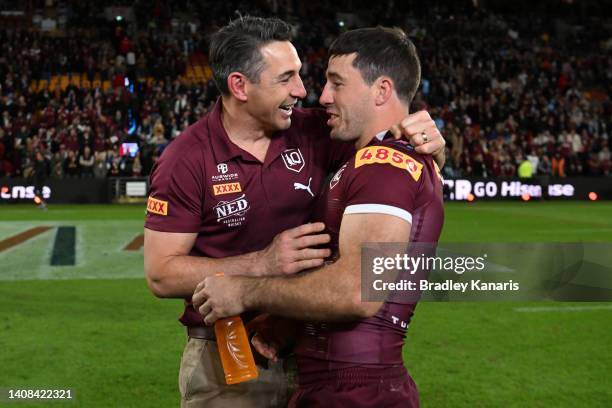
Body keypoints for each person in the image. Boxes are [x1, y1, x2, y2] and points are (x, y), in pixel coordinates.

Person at [144, 17, 445, 408]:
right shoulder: (186, 159)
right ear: (240, 85)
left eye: (302, 75)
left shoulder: (317, 131)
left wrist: (431, 143)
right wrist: (260, 263)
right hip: (232, 358)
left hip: (312, 350)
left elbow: (392, 153)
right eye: (286, 78)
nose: (304, 92)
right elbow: (161, 274)